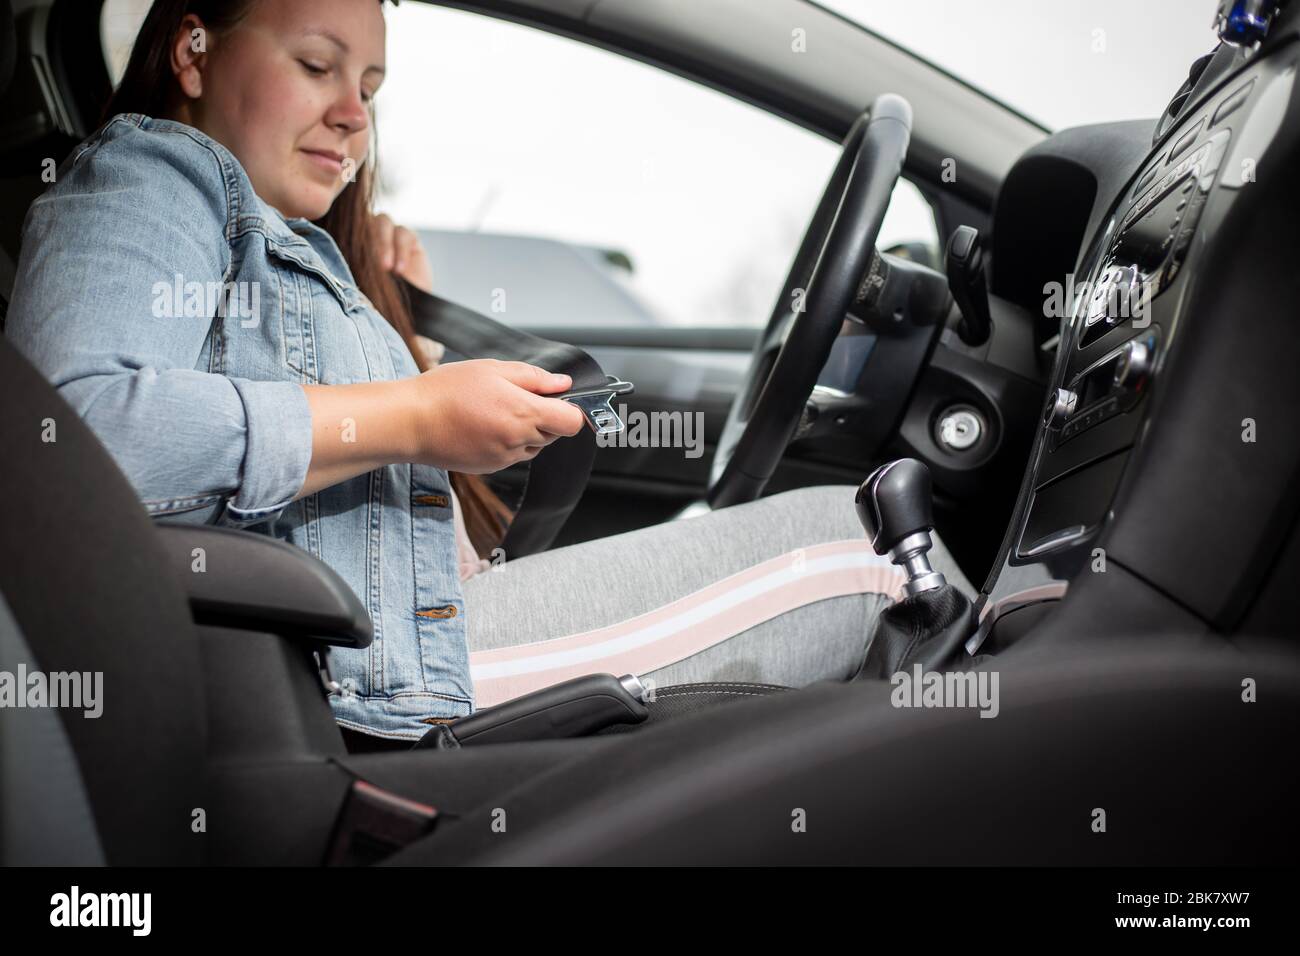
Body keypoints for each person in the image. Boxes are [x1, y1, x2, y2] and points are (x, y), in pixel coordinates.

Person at [4, 0, 969, 749]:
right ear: (193, 51)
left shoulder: (289, 244)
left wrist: (406, 347)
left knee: (860, 540)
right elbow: (80, 441)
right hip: (363, 676)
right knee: (874, 553)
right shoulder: (147, 175)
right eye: (315, 66)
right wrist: (417, 412)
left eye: (370, 88)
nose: (352, 115)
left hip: (410, 640)